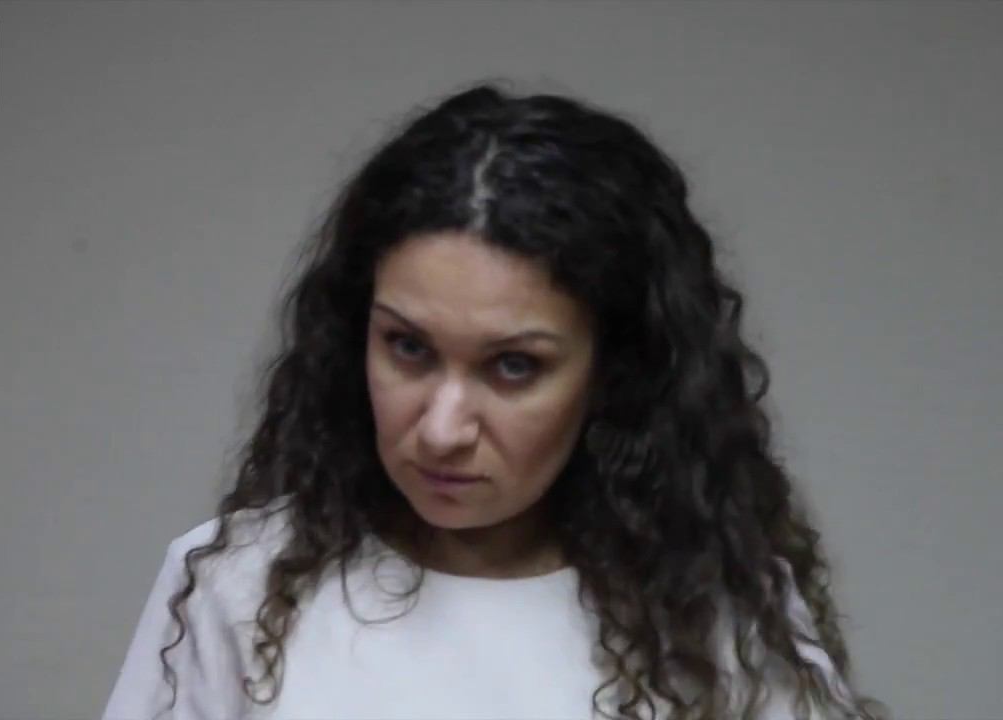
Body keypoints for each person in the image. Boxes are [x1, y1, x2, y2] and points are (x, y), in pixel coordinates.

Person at [100, 81, 890, 720]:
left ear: (616, 372)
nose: (442, 430)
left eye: (513, 366)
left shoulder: (713, 614)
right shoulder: (238, 585)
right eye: (408, 348)